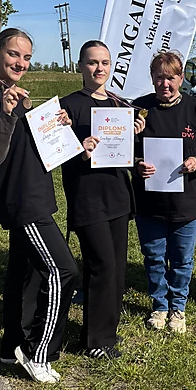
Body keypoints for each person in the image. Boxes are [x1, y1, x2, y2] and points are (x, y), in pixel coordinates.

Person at [0, 28, 79, 384]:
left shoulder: (13, 94)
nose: (20, 62)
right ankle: (39, 353)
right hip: (22, 200)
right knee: (63, 271)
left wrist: (58, 126)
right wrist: (7, 112)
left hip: (34, 194)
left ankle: (12, 346)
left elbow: (31, 146)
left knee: (25, 274)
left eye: (27, 57)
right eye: (13, 54)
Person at [61, 41, 145, 359]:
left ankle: (107, 332)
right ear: (80, 66)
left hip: (118, 196)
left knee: (117, 270)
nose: (99, 68)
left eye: (105, 62)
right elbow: (56, 154)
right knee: (101, 266)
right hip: (87, 198)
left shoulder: (120, 105)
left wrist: (135, 134)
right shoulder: (68, 106)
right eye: (93, 62)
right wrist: (79, 149)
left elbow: (127, 155)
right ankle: (95, 341)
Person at [132, 51, 196, 334]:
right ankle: (159, 305)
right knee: (154, 257)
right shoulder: (139, 109)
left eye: (170, 78)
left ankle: (178, 307)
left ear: (181, 78)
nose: (165, 84)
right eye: (159, 78)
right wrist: (137, 164)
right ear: (152, 78)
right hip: (149, 202)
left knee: (182, 259)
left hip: (185, 203)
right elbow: (122, 150)